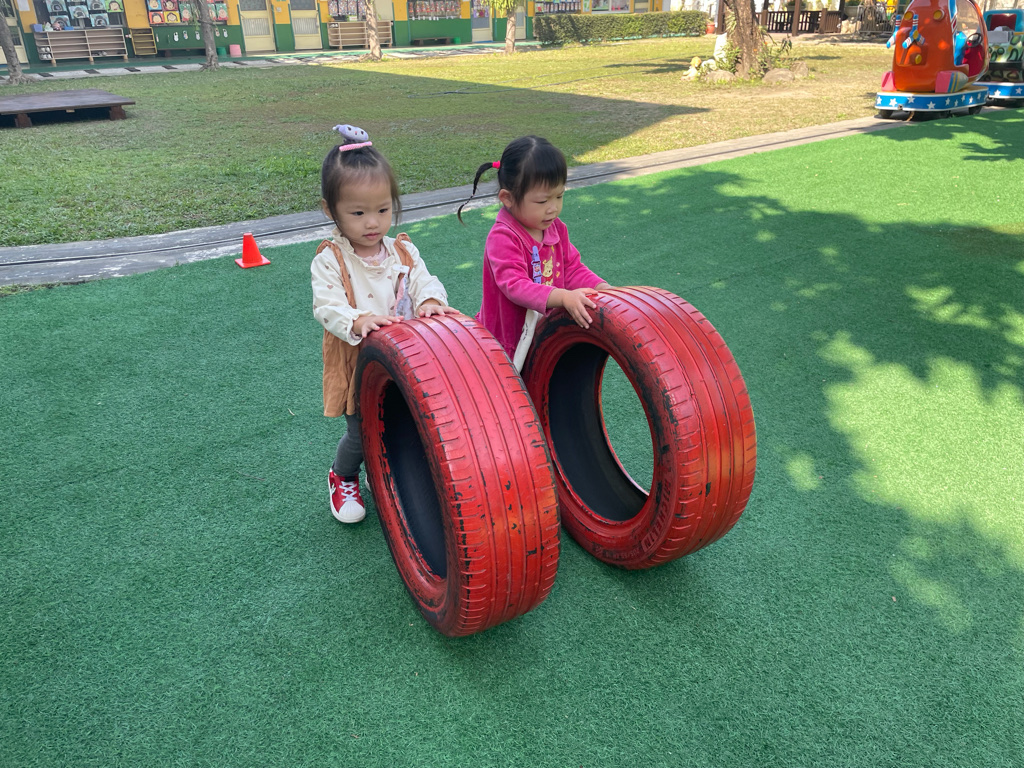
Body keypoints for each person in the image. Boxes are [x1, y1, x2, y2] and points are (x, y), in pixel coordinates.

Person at [312, 124, 458, 524]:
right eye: (358, 213)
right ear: (330, 210)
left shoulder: (402, 251)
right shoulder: (331, 259)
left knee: (413, 422)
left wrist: (430, 299)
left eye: (382, 210)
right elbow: (326, 306)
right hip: (361, 364)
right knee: (362, 432)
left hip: (409, 362)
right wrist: (359, 319)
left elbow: (424, 280)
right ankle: (343, 476)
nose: (372, 223)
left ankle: (405, 478)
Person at [458, 136, 610, 371]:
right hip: (509, 342)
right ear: (508, 198)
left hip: (544, 336)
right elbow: (515, 285)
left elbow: (572, 268)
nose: (553, 208)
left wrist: (603, 288)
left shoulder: (556, 228)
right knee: (513, 388)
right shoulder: (504, 237)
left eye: (559, 196)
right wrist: (562, 297)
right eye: (542, 201)